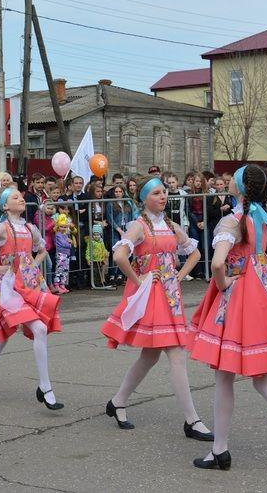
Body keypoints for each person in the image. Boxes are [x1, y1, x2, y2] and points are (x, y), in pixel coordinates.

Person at [188, 164, 267, 480]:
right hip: (264, 297)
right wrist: (262, 270)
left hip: (239, 299)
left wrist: (225, 283)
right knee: (265, 380)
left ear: (242, 188)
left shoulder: (233, 221)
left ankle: (220, 450)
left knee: (224, 376)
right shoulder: (264, 220)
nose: (229, 181)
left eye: (234, 178)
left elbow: (218, 262)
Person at [101, 176, 212, 439]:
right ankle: (192, 420)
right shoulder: (139, 226)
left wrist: (179, 275)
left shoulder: (171, 226)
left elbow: (194, 253)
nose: (163, 196)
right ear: (144, 198)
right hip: (152, 296)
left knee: (150, 356)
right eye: (157, 193)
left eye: (164, 192)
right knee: (175, 353)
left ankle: (117, 401)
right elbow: (118, 255)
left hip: (170, 296)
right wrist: (140, 281)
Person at [0, 187, 64, 411]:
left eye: (21, 196)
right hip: (8, 288)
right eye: (15, 198)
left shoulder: (30, 228)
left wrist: (31, 266)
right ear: (5, 206)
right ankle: (45, 387)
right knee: (34, 330)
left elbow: (42, 250)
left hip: (29, 285)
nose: (21, 199)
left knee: (3, 339)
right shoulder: (1, 228)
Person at [53, 213, 75, 293]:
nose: (63, 228)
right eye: (61, 226)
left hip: (66, 254)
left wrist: (69, 243)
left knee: (65, 270)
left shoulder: (65, 235)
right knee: (59, 269)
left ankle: (62, 284)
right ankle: (57, 284)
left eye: (64, 227)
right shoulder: (58, 235)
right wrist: (69, 243)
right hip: (60, 254)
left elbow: (68, 243)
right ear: (58, 227)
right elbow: (63, 244)